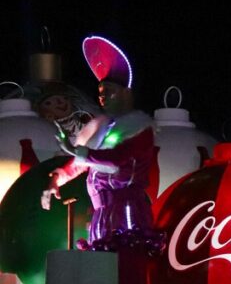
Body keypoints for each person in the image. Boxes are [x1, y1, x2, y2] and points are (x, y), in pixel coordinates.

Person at [40, 36, 160, 254]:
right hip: (101, 212)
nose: (103, 98)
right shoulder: (102, 128)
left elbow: (115, 160)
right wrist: (57, 178)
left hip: (126, 210)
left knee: (125, 263)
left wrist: (79, 151)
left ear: (127, 93)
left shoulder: (139, 128)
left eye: (110, 92)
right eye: (100, 93)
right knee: (101, 264)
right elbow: (80, 163)